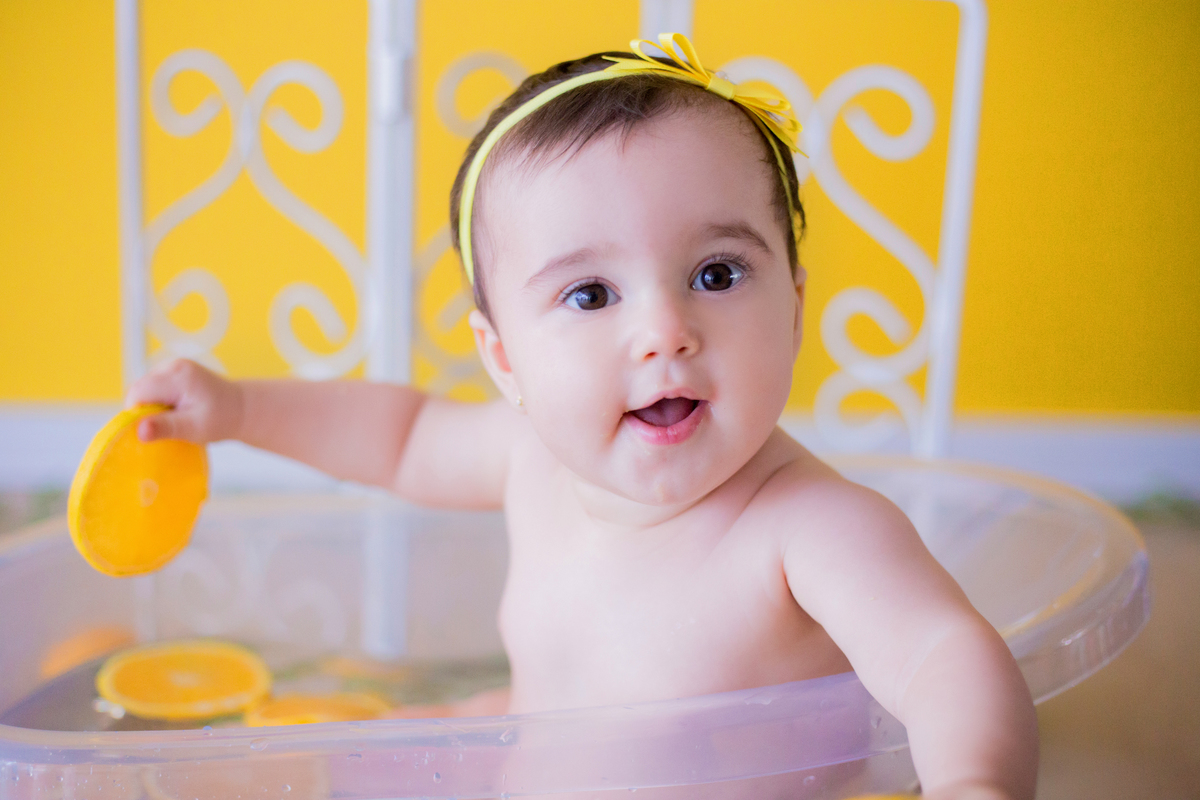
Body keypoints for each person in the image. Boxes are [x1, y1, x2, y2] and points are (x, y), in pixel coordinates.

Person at [127, 34, 1037, 800]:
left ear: (795, 310)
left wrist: (974, 782)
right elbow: (397, 437)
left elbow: (942, 658)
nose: (664, 333)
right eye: (592, 293)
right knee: (342, 752)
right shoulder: (531, 457)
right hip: (530, 757)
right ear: (506, 359)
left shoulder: (812, 528)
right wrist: (241, 408)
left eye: (716, 274)